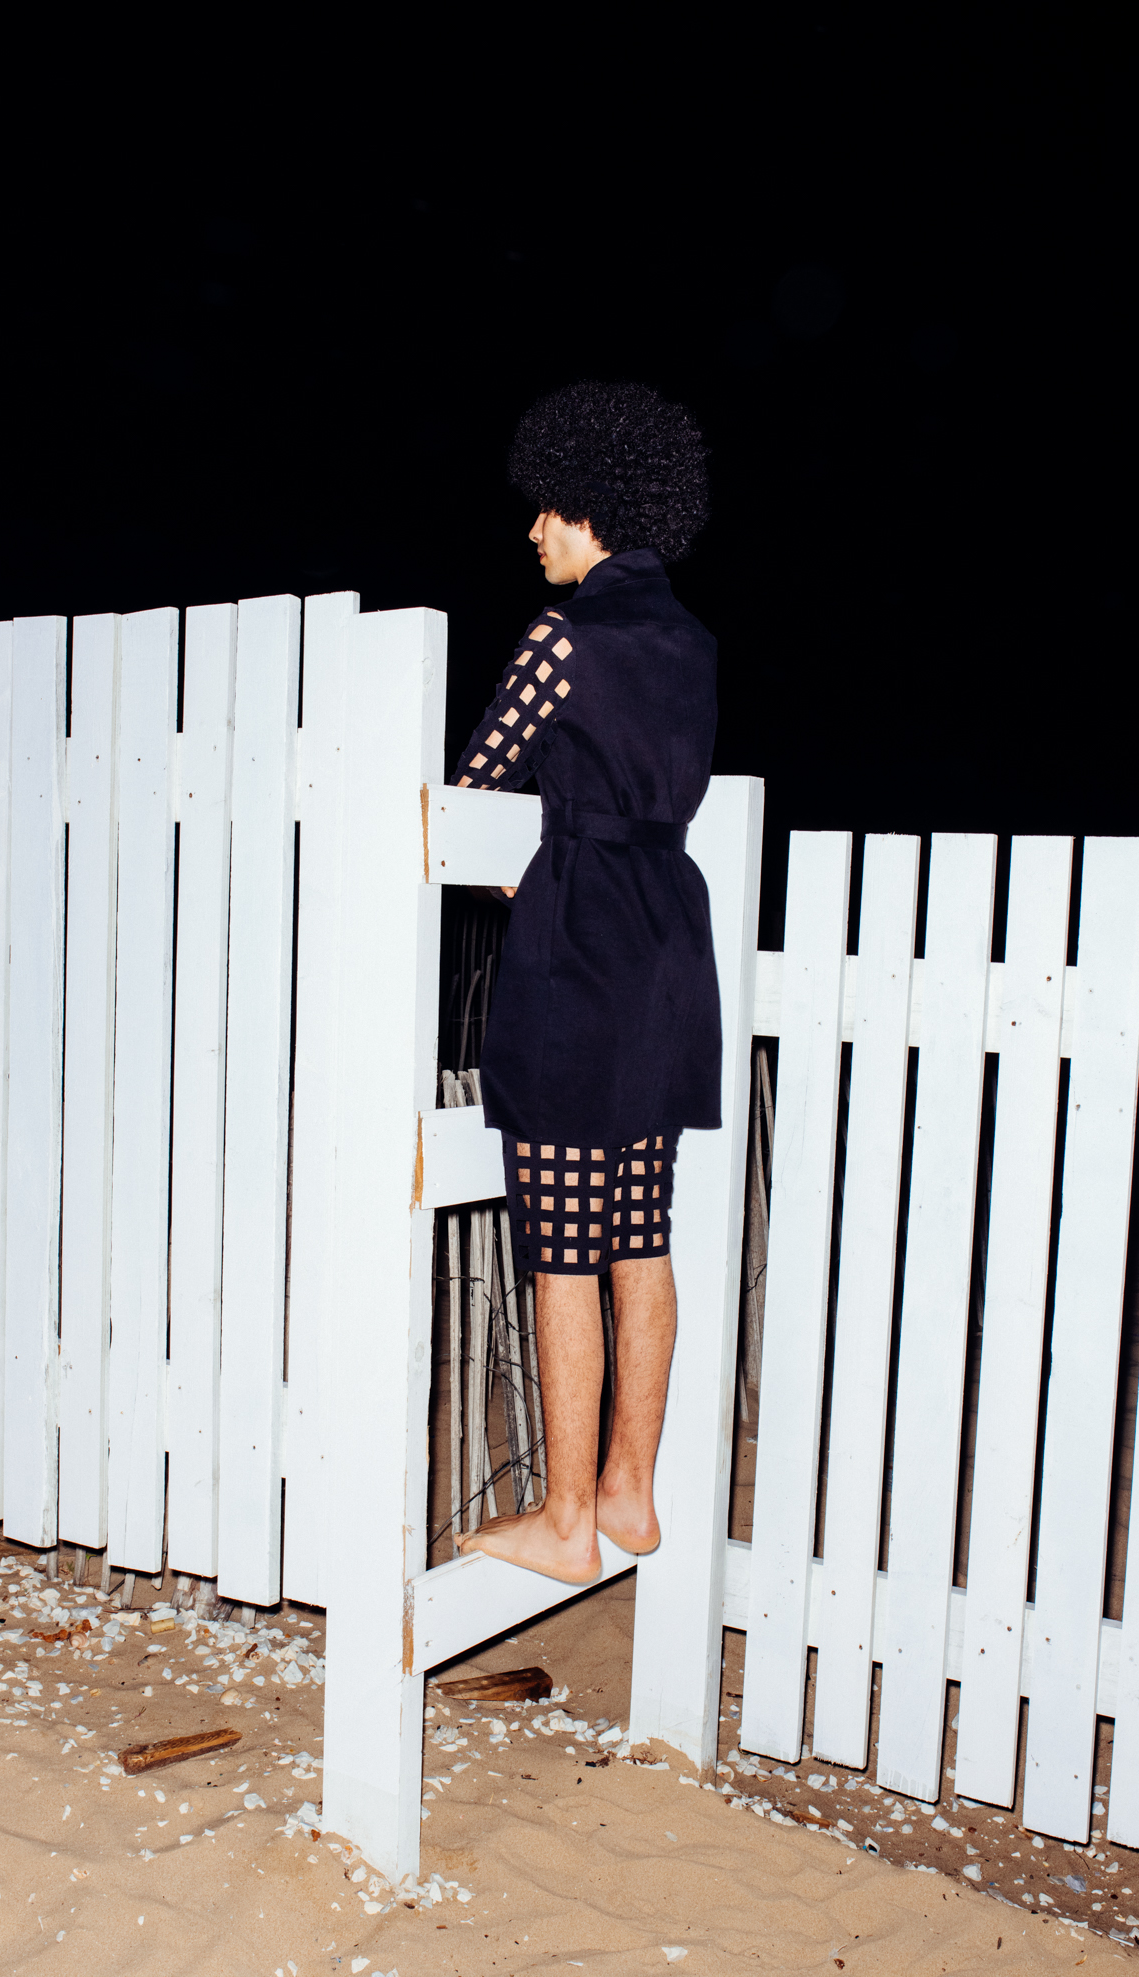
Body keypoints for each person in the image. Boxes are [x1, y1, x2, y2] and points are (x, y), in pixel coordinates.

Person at [449, 380, 720, 1586]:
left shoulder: (565, 638)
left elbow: (478, 792)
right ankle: (630, 1488)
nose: (534, 533)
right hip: (668, 940)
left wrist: (520, 875)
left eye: (548, 512)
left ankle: (564, 1518)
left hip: (582, 945)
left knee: (561, 1236)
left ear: (595, 508)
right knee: (640, 1231)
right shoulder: (691, 644)